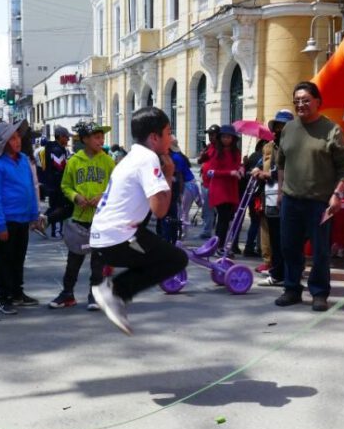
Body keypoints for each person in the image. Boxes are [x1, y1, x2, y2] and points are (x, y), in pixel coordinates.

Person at [89, 107, 189, 335]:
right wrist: (170, 174)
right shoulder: (148, 159)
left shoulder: (131, 157)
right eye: (168, 132)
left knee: (161, 255)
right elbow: (160, 210)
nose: (171, 138)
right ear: (154, 138)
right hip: (117, 238)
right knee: (176, 259)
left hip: (105, 236)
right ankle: (113, 291)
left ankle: (115, 293)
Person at [275, 81, 344, 312]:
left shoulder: (331, 130)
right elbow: (281, 163)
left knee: (319, 251)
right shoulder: (288, 128)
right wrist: (280, 192)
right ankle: (291, 289)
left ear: (318, 102)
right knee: (288, 247)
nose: (301, 104)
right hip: (291, 199)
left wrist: (337, 194)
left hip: (320, 202)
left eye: (306, 100)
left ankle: (319, 293)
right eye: (297, 100)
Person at [48, 122, 115, 310]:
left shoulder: (108, 161)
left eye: (102, 137)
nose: (101, 140)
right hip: (79, 219)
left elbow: (116, 186)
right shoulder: (74, 161)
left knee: (98, 262)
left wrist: (103, 195)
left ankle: (95, 295)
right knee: (74, 260)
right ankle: (68, 294)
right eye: (96, 137)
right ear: (85, 139)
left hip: (101, 219)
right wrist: (75, 196)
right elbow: (65, 186)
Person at [0, 121, 44, 314]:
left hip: (23, 219)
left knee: (19, 259)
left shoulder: (24, 160)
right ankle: (5, 297)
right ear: (3, 143)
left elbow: (31, 188)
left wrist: (35, 215)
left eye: (18, 136)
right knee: (6, 261)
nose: (17, 141)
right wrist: (0, 225)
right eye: (12, 138)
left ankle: (18, 293)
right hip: (7, 221)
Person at [252, 109, 293, 286]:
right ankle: (277, 272)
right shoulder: (269, 146)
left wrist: (266, 174)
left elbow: (287, 171)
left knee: (288, 238)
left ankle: (288, 274)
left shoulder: (293, 147)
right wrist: (256, 169)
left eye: (282, 126)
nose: (278, 130)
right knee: (274, 236)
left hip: (290, 195)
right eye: (277, 126)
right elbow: (263, 163)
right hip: (270, 195)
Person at [205, 124, 243, 256]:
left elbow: (237, 165)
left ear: (233, 139)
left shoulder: (236, 152)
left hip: (231, 188)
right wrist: (230, 173)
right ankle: (219, 246)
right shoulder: (216, 151)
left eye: (229, 137)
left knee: (227, 218)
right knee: (223, 218)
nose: (227, 139)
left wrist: (241, 168)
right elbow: (212, 172)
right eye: (224, 137)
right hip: (219, 189)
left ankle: (222, 246)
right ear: (220, 138)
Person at [43, 126, 73, 237]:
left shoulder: (52, 147)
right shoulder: (56, 149)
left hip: (53, 183)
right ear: (60, 137)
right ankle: (55, 231)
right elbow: (60, 166)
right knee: (59, 207)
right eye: (66, 137)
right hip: (57, 183)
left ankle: (43, 221)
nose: (68, 140)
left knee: (55, 206)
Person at [196, 124, 220, 239]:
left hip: (215, 183)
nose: (210, 136)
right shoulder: (209, 147)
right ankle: (207, 230)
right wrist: (202, 155)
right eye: (209, 134)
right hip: (205, 183)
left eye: (213, 134)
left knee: (212, 208)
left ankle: (210, 231)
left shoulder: (221, 149)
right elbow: (200, 160)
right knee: (207, 208)